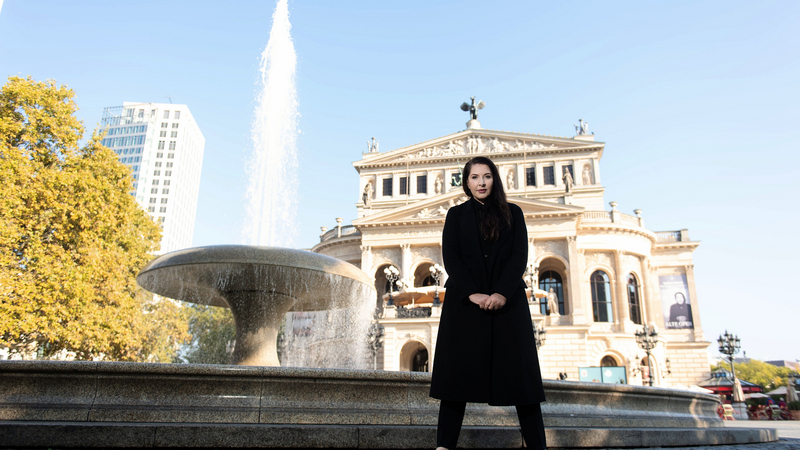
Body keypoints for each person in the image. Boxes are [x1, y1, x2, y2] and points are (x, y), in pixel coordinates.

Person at [430, 156, 547, 450]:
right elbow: (451, 258)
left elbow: (519, 256)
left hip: (507, 305)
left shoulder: (514, 213)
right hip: (465, 305)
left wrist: (501, 293)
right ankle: (444, 445)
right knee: (455, 380)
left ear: (495, 179)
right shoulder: (455, 216)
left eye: (486, 176)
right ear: (466, 183)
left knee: (522, 379)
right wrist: (472, 293)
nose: (481, 182)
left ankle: (537, 445)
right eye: (474, 177)